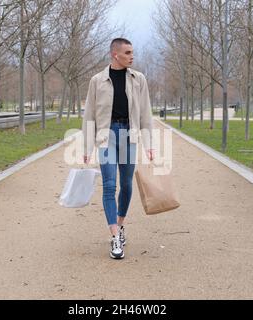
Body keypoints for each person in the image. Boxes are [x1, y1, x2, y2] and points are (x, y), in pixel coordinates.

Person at [82, 38, 154, 259]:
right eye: (128, 52)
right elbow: (89, 115)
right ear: (116, 55)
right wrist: (86, 146)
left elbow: (145, 113)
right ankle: (114, 236)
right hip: (107, 136)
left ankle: (120, 224)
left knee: (126, 184)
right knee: (109, 185)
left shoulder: (138, 79)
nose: (132, 56)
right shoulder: (97, 80)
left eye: (132, 52)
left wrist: (149, 145)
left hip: (129, 135)